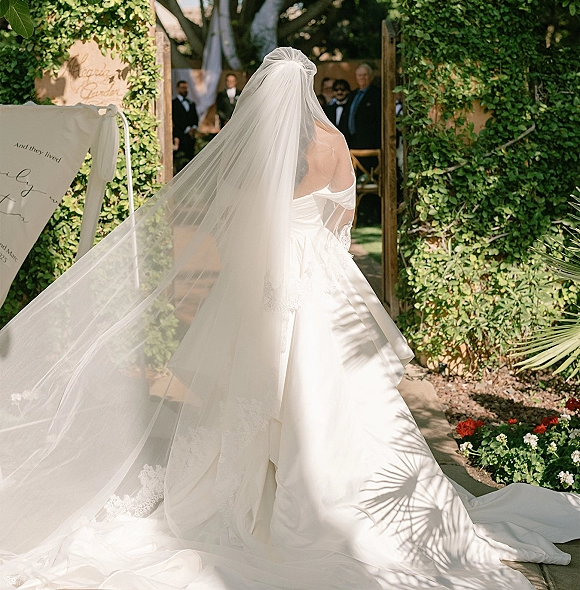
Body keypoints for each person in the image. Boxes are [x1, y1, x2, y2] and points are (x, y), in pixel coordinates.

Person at [1, 48, 578, 590]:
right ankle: (346, 496)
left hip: (271, 282)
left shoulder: (257, 150)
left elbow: (238, 228)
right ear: (309, 92)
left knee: (259, 390)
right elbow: (344, 218)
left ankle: (260, 493)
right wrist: (321, 248)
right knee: (341, 394)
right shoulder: (333, 143)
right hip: (325, 279)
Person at [348, 63, 381, 149]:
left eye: (365, 75)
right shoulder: (353, 94)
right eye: (359, 75)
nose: (362, 77)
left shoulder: (377, 94)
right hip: (352, 142)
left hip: (369, 143)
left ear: (371, 76)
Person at [172, 79, 199, 163]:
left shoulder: (191, 103)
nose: (184, 90)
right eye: (182, 88)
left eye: (186, 88)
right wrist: (187, 129)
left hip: (190, 137)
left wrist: (194, 128)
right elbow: (175, 119)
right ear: (178, 89)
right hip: (180, 135)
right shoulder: (173, 103)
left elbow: (195, 117)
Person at [324, 78, 352, 142]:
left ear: (348, 91)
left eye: (342, 89)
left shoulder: (351, 107)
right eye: (336, 90)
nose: (339, 92)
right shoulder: (328, 109)